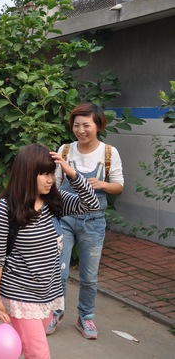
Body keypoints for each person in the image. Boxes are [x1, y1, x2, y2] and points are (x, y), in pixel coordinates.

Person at [0, 144, 100, 359]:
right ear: (27, 173)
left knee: (28, 349)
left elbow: (92, 204)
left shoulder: (55, 201)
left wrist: (72, 173)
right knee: (39, 354)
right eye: (43, 174)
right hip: (20, 294)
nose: (50, 179)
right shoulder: (6, 209)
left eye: (51, 173)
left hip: (48, 292)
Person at [47, 103, 124, 339]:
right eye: (76, 125)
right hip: (66, 219)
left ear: (98, 125)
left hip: (94, 222)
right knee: (58, 270)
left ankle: (86, 318)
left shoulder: (109, 152)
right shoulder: (66, 150)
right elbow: (56, 185)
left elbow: (119, 186)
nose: (80, 130)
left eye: (86, 125)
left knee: (89, 276)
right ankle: (56, 312)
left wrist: (102, 185)